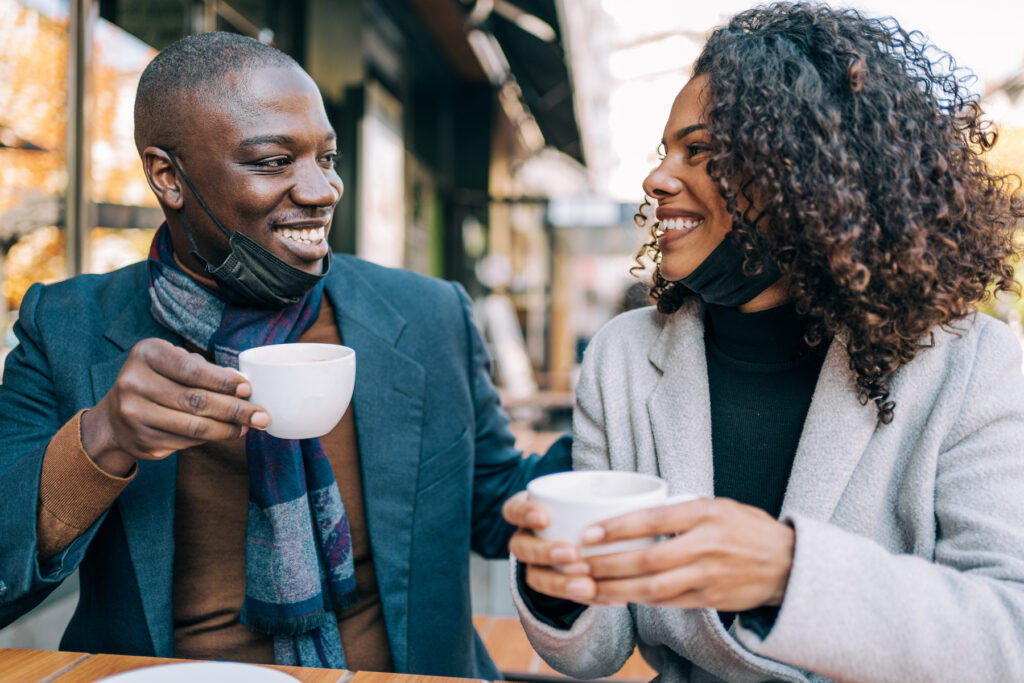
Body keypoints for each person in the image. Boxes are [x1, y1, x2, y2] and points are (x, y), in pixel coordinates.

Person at [0, 32, 569, 678]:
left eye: (327, 157)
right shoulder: (68, 327)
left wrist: (619, 429)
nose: (323, 189)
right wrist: (103, 437)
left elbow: (497, 502)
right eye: (272, 161)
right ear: (168, 176)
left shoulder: (427, 314)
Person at [503, 3, 1024, 681]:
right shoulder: (622, 358)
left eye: (701, 151)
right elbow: (600, 646)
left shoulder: (976, 366)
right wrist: (557, 580)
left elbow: (1008, 633)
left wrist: (787, 574)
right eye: (664, 152)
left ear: (809, 174)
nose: (656, 178)